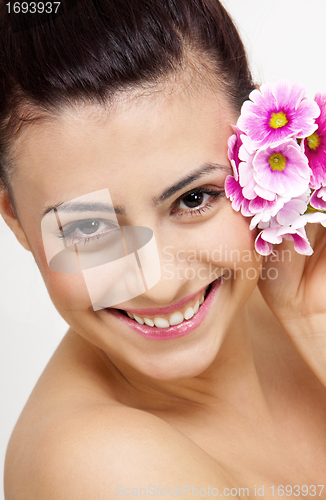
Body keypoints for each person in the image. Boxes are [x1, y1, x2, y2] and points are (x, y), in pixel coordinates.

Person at [1, 1, 326, 498]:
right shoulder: (95, 469)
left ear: (261, 149)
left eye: (193, 199)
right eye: (89, 227)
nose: (158, 283)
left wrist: (314, 320)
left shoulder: (299, 287)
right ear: (16, 221)